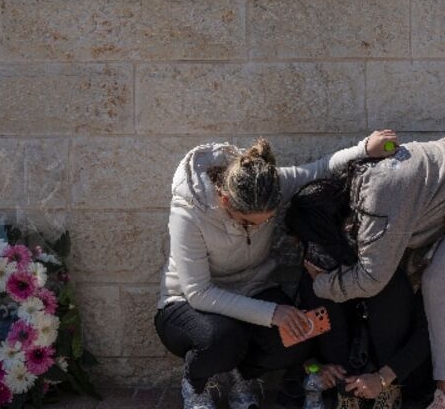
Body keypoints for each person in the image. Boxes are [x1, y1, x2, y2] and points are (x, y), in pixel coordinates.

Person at [155, 131, 398, 409]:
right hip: (187, 305)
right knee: (221, 338)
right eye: (249, 223)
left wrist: (364, 148)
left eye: (266, 221)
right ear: (225, 202)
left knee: (301, 335)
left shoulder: (269, 183)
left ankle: (241, 378)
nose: (258, 227)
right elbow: (199, 293)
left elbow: (319, 168)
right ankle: (195, 383)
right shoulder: (188, 212)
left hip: (253, 291)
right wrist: (272, 313)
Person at [303, 137, 445, 409]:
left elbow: (371, 279)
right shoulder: (362, 185)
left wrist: (320, 284)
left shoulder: (376, 197)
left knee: (441, 285)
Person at [285, 175, 434, 409]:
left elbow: (429, 331)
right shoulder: (316, 266)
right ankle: (349, 392)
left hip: (397, 375)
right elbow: (303, 331)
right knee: (318, 288)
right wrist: (315, 366)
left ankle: (387, 392)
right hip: (346, 376)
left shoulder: (385, 251)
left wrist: (385, 377)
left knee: (386, 285)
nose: (311, 249)